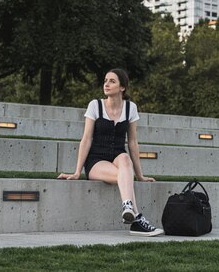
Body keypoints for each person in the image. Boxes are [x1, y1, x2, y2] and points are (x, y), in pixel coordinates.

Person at [57, 68, 164, 237]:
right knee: (125, 177)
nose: (106, 84)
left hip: (118, 157)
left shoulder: (131, 108)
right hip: (96, 160)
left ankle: (129, 209)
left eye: (112, 81)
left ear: (122, 87)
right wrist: (77, 171)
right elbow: (86, 139)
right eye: (105, 80)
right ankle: (136, 217)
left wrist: (141, 175)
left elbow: (133, 143)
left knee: (125, 160)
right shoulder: (95, 105)